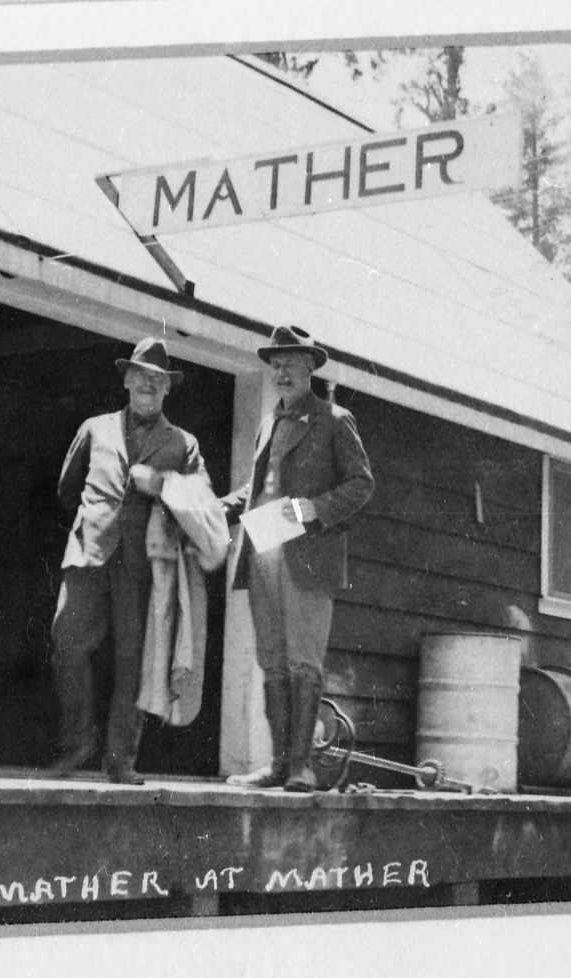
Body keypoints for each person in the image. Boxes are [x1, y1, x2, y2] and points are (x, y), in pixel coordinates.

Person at [45, 337, 208, 785]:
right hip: (90, 553)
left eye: (157, 379)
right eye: (140, 375)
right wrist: (96, 521)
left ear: (168, 388)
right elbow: (67, 487)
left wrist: (162, 484)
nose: (148, 384)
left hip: (146, 567)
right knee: (67, 642)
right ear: (126, 379)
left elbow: (204, 503)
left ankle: (121, 761)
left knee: (138, 664)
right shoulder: (94, 427)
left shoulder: (182, 444)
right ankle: (78, 741)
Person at [223, 326, 374, 792]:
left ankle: (301, 767)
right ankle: (276, 765)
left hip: (307, 551)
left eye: (291, 363)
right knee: (271, 660)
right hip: (264, 545)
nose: (281, 372)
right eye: (276, 363)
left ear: (310, 367)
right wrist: (217, 509)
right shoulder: (269, 422)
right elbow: (258, 488)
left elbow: (361, 484)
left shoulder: (333, 419)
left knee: (303, 662)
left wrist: (316, 509)